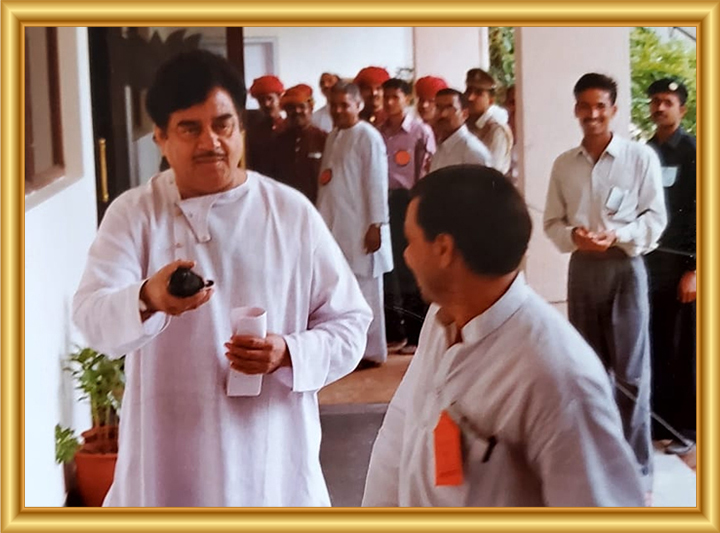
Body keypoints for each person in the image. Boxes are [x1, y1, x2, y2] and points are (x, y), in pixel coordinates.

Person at [72, 50, 372, 507]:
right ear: (160, 137)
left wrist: (288, 352)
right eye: (189, 128)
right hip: (166, 456)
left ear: (241, 128)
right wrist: (148, 297)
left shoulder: (290, 213)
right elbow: (91, 316)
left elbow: (350, 324)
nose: (209, 142)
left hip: (270, 456)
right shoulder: (135, 215)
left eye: (222, 125)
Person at [362, 165, 645, 507]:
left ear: (443, 249)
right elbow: (401, 428)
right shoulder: (441, 319)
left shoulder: (558, 376)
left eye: (411, 241)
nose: (406, 255)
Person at [543, 72, 667, 499]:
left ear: (614, 110)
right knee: (587, 371)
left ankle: (637, 473)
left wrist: (618, 235)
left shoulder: (639, 157)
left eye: (601, 106)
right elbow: (552, 222)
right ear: (576, 109)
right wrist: (574, 237)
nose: (592, 114)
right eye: (585, 106)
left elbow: (655, 218)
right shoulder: (564, 164)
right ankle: (596, 466)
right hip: (583, 270)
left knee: (631, 374)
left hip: (625, 268)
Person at [317, 81, 392, 368]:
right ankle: (350, 349)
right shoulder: (334, 136)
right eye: (334, 105)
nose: (338, 110)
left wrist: (376, 225)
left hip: (362, 227)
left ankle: (371, 352)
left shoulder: (368, 136)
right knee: (343, 290)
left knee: (366, 291)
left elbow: (376, 183)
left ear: (358, 105)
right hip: (336, 224)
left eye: (344, 105)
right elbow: (327, 181)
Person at [645, 78, 696, 456]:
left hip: (683, 268)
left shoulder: (695, 152)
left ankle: (687, 427)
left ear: (682, 109)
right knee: (654, 343)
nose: (660, 107)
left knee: (684, 348)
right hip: (649, 265)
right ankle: (656, 421)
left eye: (668, 102)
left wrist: (696, 270)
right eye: (655, 101)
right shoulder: (644, 152)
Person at [378, 78, 436, 354]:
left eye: (395, 97)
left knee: (410, 265)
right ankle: (396, 332)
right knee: (389, 268)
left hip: (408, 199)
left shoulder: (420, 131)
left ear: (407, 99)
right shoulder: (379, 132)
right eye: (386, 97)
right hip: (383, 201)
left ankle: (416, 333)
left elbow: (426, 169)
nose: (389, 102)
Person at [272, 84, 327, 204]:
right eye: (291, 108)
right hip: (286, 203)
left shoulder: (324, 139)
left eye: (302, 107)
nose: (297, 111)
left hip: (317, 205)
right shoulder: (278, 142)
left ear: (311, 108)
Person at [429, 89, 492, 172]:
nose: (443, 114)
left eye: (450, 108)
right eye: (438, 107)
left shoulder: (472, 152)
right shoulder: (440, 148)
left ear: (464, 114)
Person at [464, 68, 513, 174]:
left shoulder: (496, 130)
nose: (470, 98)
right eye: (468, 91)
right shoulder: (465, 126)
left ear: (490, 101)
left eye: (478, 93)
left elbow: (491, 173)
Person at [245, 74, 285, 177]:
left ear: (280, 98)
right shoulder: (254, 132)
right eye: (261, 100)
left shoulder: (289, 127)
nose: (266, 104)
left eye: (270, 99)